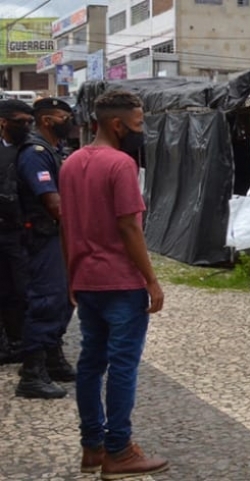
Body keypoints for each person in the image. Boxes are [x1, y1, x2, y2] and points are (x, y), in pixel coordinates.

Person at [61, 90, 168, 478]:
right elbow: (128, 225)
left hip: (87, 280)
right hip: (121, 282)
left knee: (91, 362)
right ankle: (119, 451)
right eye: (138, 125)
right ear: (117, 124)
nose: (141, 132)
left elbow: (66, 225)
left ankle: (92, 446)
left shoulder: (70, 163)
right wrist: (151, 280)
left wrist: (70, 274)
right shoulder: (120, 164)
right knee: (122, 364)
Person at [13, 97, 77, 399]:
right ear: (48, 120)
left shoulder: (52, 149)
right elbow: (53, 203)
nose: (71, 121)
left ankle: (52, 359)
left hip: (55, 236)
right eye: (66, 116)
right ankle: (32, 373)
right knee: (47, 300)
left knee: (64, 299)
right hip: (42, 236)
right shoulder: (35, 153)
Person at [0, 100, 32, 366]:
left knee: (19, 290)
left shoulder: (30, 150)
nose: (26, 127)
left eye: (29, 122)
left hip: (19, 233)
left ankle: (18, 341)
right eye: (20, 122)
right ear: (3, 122)